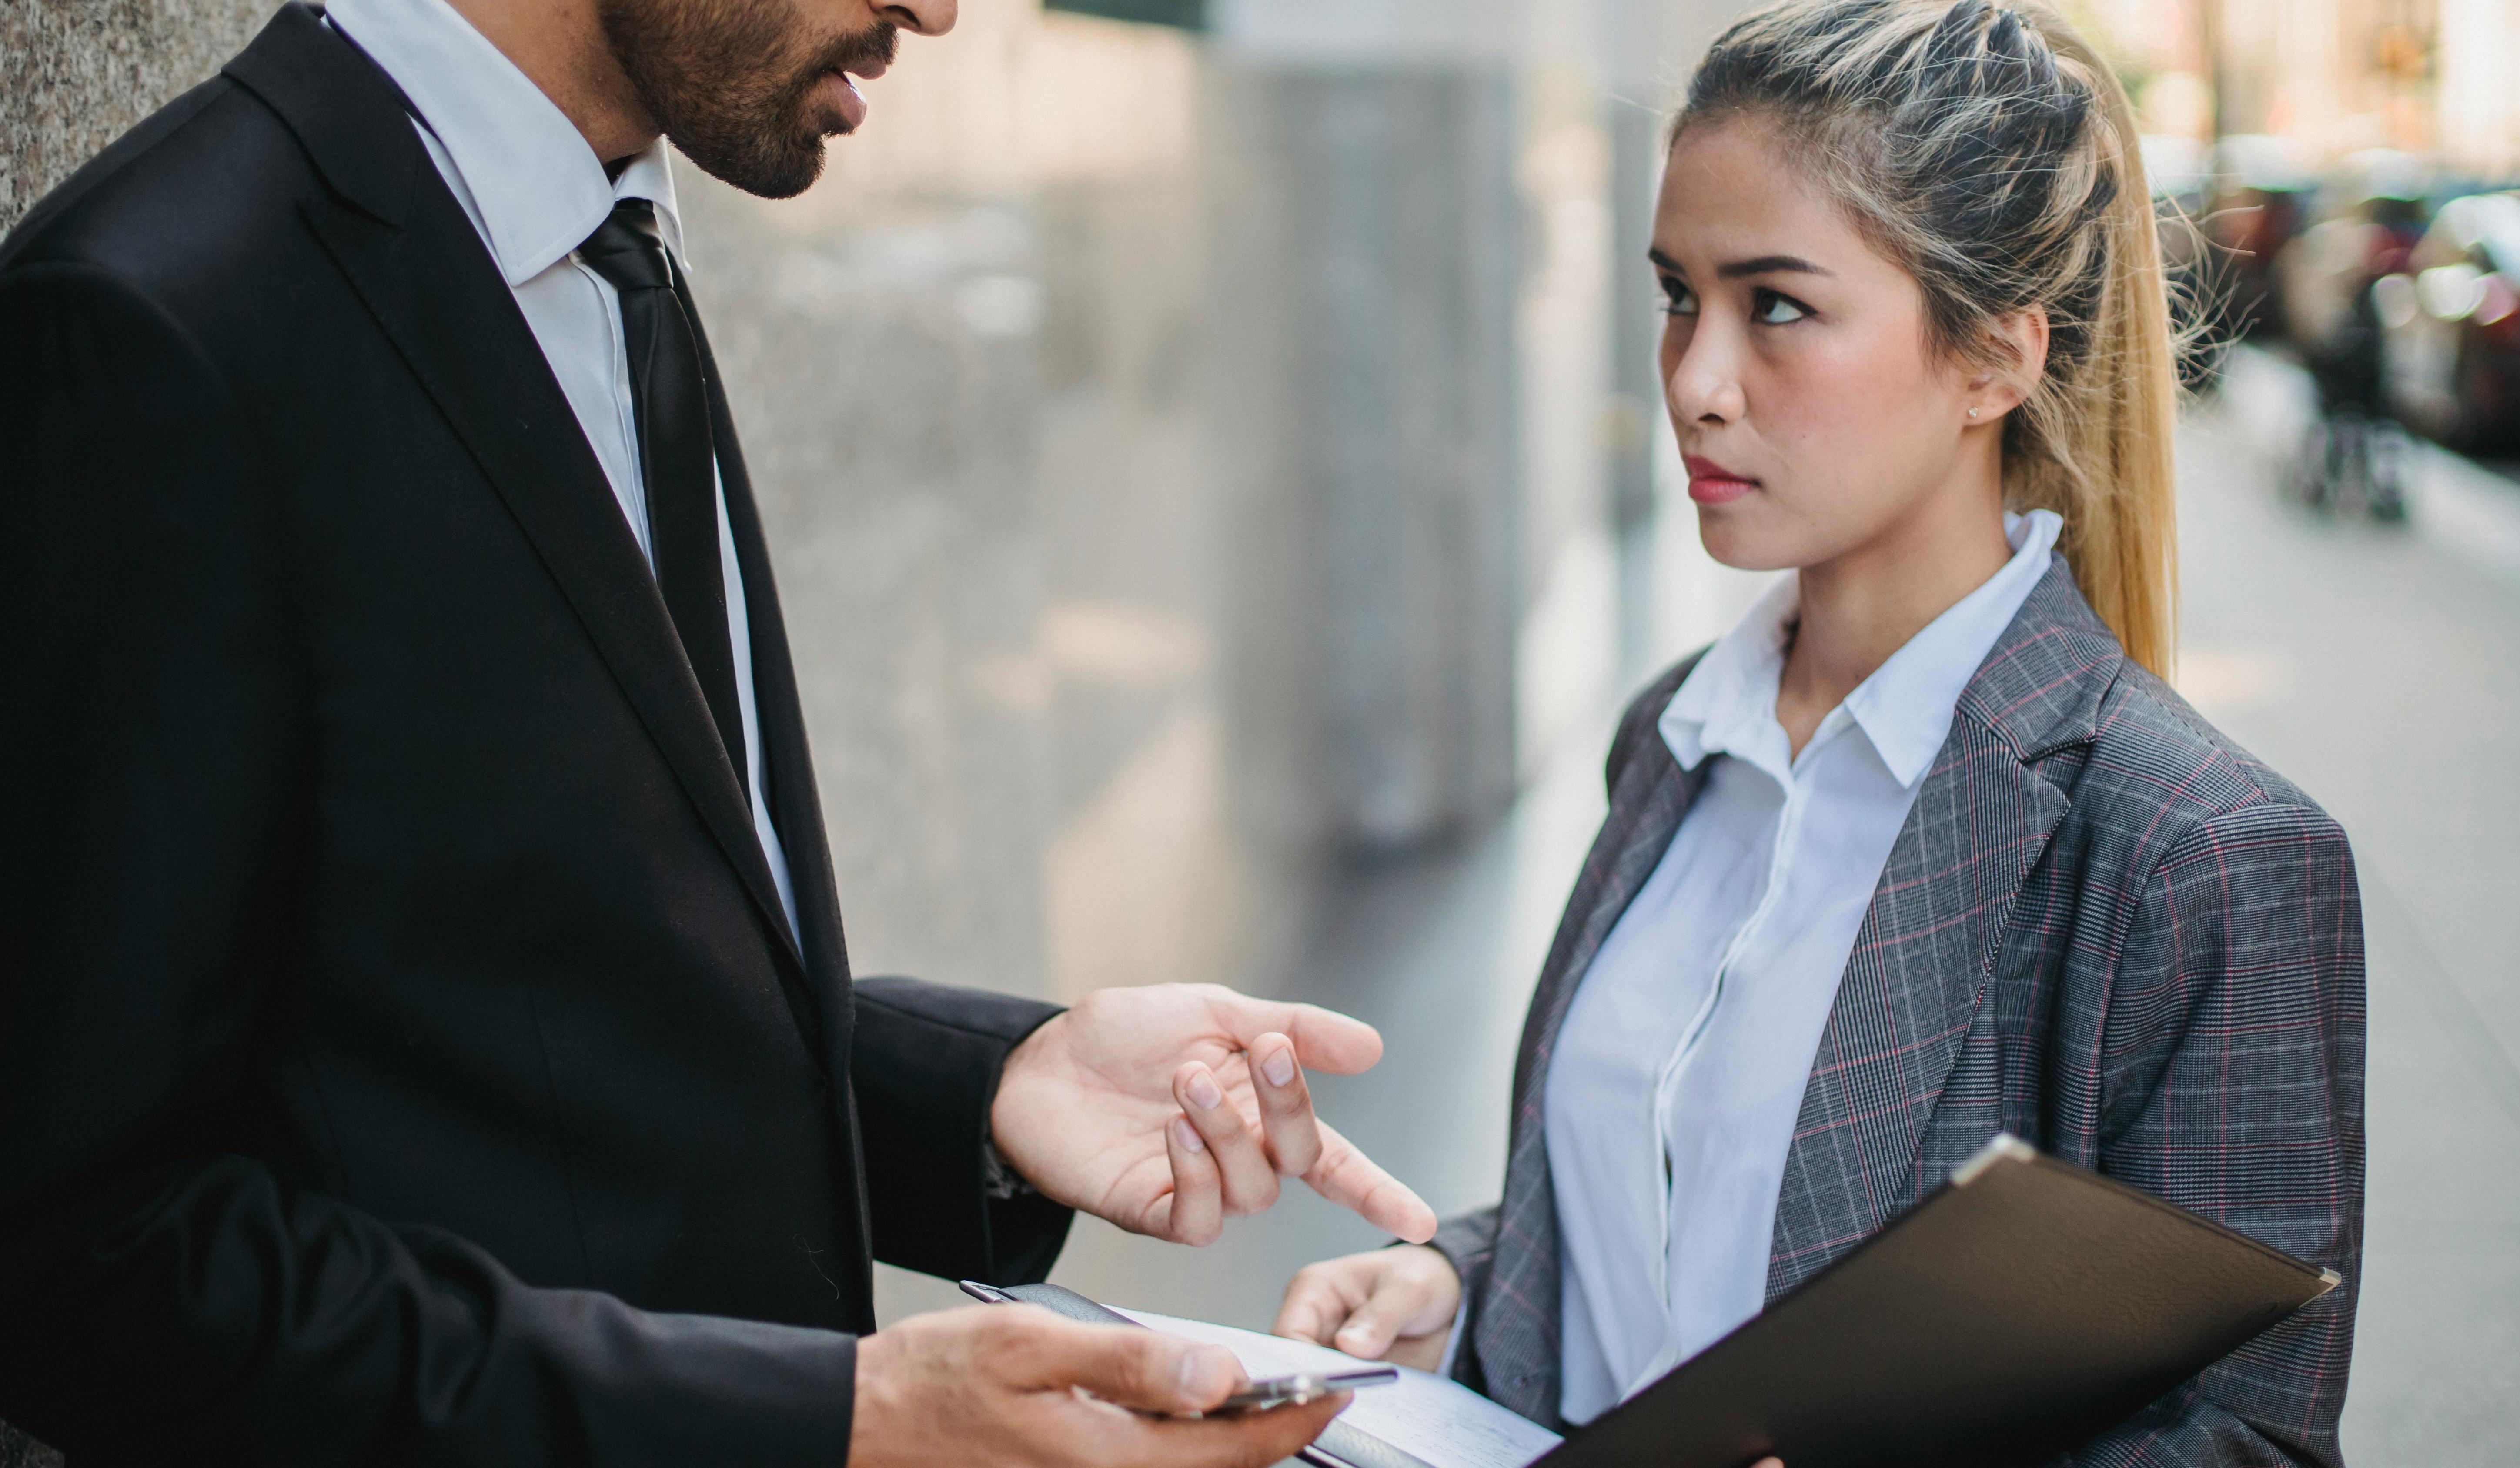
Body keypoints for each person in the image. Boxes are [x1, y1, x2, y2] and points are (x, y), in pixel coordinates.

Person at [0, 0, 1436, 1464]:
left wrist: (989, 1091)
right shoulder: (149, 321)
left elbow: (519, 1016)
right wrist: (831, 1419)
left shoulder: (611, 248)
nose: (939, 11)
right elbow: (83, 1260)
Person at [1273, 3, 2366, 1463]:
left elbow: (2246, 1442)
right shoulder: (1675, 736)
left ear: (1994, 360)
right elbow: (1679, 1211)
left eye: (1777, 306)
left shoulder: (2200, 854)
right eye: (1678, 296)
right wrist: (1462, 1291)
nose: (1694, 381)